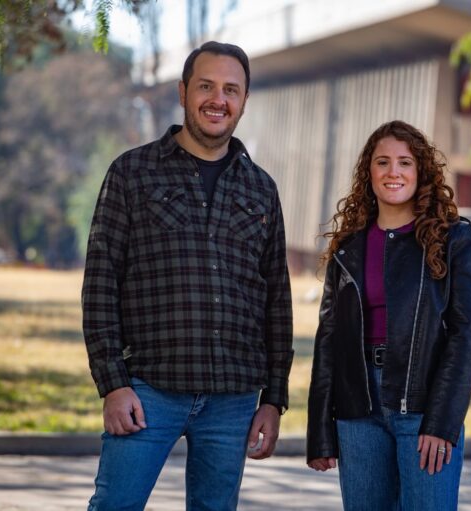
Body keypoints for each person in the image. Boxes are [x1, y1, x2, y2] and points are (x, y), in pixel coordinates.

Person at [82, 41, 293, 510]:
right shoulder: (132, 173)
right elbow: (100, 285)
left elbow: (276, 299)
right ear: (183, 92)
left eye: (231, 90)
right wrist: (113, 383)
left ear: (243, 101)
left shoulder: (261, 189)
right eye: (206, 86)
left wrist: (273, 399)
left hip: (234, 399)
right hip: (148, 390)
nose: (218, 99)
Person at [306, 120, 471, 510]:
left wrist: (442, 422)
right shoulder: (348, 247)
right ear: (368, 172)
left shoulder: (454, 239)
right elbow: (329, 338)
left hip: (422, 406)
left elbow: (465, 336)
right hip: (358, 412)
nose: (393, 172)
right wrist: (320, 430)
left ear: (420, 172)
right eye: (382, 162)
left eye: (404, 162)